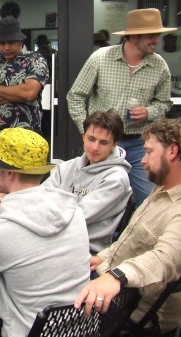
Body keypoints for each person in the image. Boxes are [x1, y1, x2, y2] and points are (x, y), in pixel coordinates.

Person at [0, 127, 90, 337]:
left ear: (8, 172)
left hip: (28, 333)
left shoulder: (0, 232)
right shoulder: (75, 212)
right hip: (79, 330)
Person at [74, 118, 181, 336]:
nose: (142, 160)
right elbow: (130, 240)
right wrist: (103, 257)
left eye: (149, 152)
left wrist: (116, 276)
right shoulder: (161, 189)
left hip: (131, 317)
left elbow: (166, 258)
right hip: (112, 291)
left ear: (172, 152)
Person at [67, 8, 177, 207]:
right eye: (151, 35)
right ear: (134, 36)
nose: (156, 40)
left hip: (138, 144)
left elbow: (164, 103)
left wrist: (149, 112)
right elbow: (75, 96)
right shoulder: (100, 58)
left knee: (146, 198)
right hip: (104, 141)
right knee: (91, 197)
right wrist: (87, 131)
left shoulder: (159, 66)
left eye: (158, 35)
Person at [42, 110, 132, 254]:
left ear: (114, 144)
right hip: (53, 239)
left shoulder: (116, 179)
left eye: (103, 142)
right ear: (83, 136)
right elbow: (40, 199)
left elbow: (78, 217)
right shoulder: (67, 167)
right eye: (91, 139)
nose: (95, 147)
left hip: (86, 251)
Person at [0, 17, 49, 132]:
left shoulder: (35, 60)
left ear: (21, 41)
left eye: (11, 42)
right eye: (2, 43)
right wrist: (17, 96)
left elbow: (28, 93)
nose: (6, 47)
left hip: (27, 135)